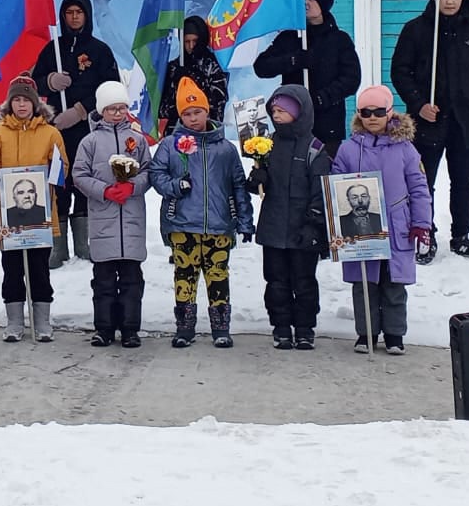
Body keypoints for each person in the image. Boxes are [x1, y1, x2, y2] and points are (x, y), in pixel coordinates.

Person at [390, 0, 469, 263]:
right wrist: (419, 103)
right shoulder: (416, 30)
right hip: (429, 122)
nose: (449, 1)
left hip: (465, 123)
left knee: (464, 181)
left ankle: (461, 236)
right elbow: (400, 71)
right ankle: (425, 235)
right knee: (423, 183)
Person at [149, 77, 252, 349]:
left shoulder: (226, 149)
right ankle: (184, 327)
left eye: (197, 112)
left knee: (218, 274)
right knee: (185, 275)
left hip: (218, 225)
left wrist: (244, 219)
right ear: (180, 116)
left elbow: (238, 185)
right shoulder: (171, 145)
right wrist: (175, 186)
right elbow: (156, 174)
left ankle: (221, 327)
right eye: (187, 113)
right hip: (182, 223)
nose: (193, 118)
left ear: (208, 112)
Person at [331, 85, 432, 354]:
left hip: (396, 224)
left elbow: (419, 188)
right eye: (366, 112)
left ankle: (394, 334)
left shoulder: (405, 149)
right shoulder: (348, 149)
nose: (372, 117)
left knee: (393, 284)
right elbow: (337, 186)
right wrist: (338, 221)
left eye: (378, 112)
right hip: (361, 226)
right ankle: (366, 334)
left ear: (389, 113)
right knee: (364, 283)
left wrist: (421, 223)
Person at [31, 0, 121, 267]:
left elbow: (111, 88)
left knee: (84, 181)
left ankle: (84, 243)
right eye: (69, 12)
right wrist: (49, 80)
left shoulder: (100, 50)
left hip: (88, 130)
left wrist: (81, 110)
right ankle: (58, 247)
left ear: (87, 15)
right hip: (56, 131)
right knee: (58, 182)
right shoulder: (52, 49)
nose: (74, 17)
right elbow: (33, 83)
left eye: (78, 12)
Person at [0, 75, 68, 342]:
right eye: (16, 100)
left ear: (35, 104)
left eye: (26, 100)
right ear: (9, 103)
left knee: (39, 270)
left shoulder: (51, 133)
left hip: (40, 216)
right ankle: (15, 322)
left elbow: (62, 166)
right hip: (10, 218)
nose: (21, 105)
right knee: (13, 270)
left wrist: (56, 174)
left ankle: (42, 322)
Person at [244, 85, 330, 351]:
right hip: (273, 227)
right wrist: (257, 179)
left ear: (299, 113)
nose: (277, 115)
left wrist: (314, 224)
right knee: (276, 281)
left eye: (283, 111)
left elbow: (321, 191)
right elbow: (261, 185)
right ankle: (280, 327)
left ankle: (304, 329)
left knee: (304, 282)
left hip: (303, 230)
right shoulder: (266, 145)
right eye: (274, 110)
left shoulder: (315, 149)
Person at [71, 81, 152, 348]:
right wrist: (104, 191)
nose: (117, 113)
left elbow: (148, 173)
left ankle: (130, 329)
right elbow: (79, 175)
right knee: (103, 280)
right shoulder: (90, 142)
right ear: (101, 111)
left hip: (131, 221)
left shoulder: (138, 140)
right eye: (111, 109)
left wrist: (133, 185)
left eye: (121, 108)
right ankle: (104, 329)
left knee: (131, 280)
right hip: (103, 221)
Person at [253, 0, 361, 157]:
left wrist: (320, 98)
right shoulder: (289, 37)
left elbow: (351, 79)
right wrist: (293, 60)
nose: (306, 3)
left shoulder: (339, 40)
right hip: (292, 122)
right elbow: (261, 67)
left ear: (323, 5)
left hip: (327, 124)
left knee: (324, 172)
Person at [156, 15, 229, 136]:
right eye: (187, 41)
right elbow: (162, 110)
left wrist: (195, 81)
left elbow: (218, 106)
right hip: (177, 134)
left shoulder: (214, 68)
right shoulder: (173, 68)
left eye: (195, 41)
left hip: (207, 134)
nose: (191, 46)